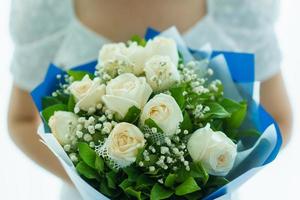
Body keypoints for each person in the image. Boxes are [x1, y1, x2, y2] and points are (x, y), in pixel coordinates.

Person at [7, 0, 293, 199]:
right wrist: (97, 186)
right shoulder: (46, 8)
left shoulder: (240, 6)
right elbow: (21, 119)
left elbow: (279, 118)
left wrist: (204, 185)